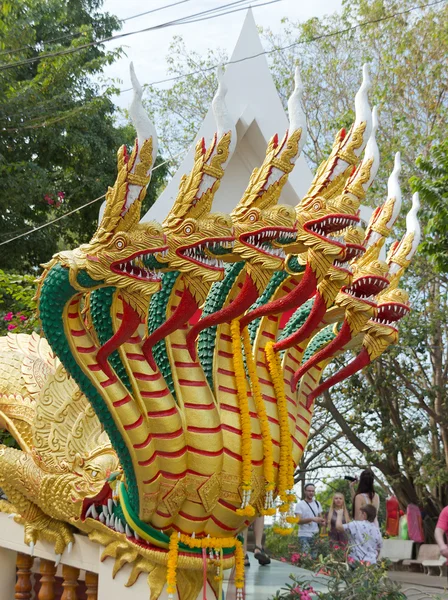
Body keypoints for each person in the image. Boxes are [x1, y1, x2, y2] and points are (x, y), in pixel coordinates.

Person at [295, 483, 326, 553]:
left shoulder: (317, 503)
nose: (311, 493)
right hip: (304, 534)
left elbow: (320, 518)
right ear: (305, 491)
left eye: (312, 491)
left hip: (315, 534)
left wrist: (322, 522)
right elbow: (298, 521)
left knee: (314, 557)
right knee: (305, 556)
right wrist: (312, 519)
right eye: (309, 491)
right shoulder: (300, 505)